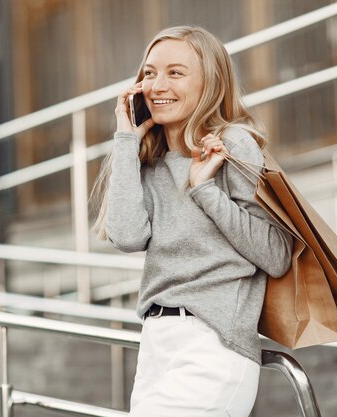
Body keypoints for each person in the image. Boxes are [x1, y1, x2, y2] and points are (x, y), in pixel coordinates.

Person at [92, 26, 293, 417]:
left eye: (175, 72)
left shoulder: (233, 144)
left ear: (210, 82)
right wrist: (125, 140)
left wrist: (206, 192)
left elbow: (276, 253)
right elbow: (127, 235)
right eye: (149, 73)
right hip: (155, 344)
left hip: (212, 345)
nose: (156, 84)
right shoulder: (147, 157)